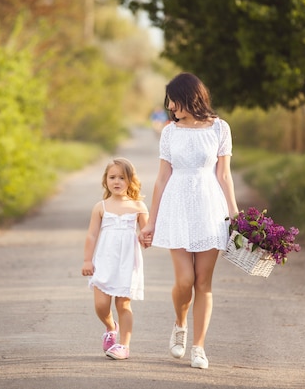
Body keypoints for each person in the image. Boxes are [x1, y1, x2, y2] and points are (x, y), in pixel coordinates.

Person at [138, 72, 239, 369]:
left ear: (188, 97)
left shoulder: (220, 128)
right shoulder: (170, 132)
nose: (170, 105)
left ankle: (199, 347)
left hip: (210, 207)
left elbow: (223, 175)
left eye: (173, 99)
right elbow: (161, 178)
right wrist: (151, 222)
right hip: (177, 206)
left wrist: (235, 216)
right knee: (184, 281)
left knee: (203, 283)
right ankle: (180, 324)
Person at [82, 157, 150, 360]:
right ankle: (111, 327)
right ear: (106, 180)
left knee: (123, 304)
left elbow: (146, 235)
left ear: (131, 181)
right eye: (112, 177)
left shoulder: (139, 207)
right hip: (104, 261)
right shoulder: (101, 207)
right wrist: (87, 260)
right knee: (101, 305)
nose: (117, 181)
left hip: (127, 263)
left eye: (122, 177)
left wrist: (145, 238)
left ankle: (124, 345)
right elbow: (91, 235)